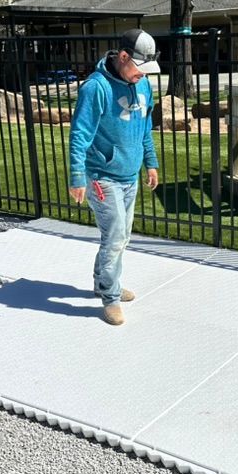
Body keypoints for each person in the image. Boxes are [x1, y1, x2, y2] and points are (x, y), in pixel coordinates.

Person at [68, 29, 161, 326]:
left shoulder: (144, 86)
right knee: (116, 235)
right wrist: (77, 176)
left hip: (129, 175)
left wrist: (150, 163)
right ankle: (110, 296)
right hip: (101, 175)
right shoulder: (96, 88)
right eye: (139, 68)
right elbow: (80, 134)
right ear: (123, 57)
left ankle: (103, 283)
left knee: (120, 237)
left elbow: (145, 127)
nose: (142, 75)